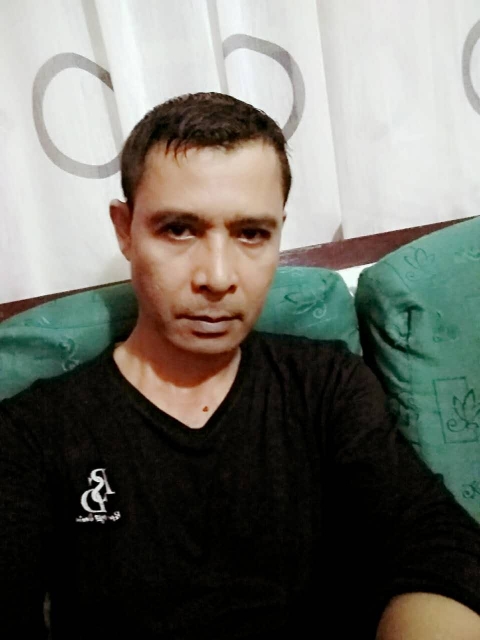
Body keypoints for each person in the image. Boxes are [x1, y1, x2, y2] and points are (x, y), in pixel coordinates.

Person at [1, 92, 480, 639]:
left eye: (251, 233)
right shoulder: (35, 434)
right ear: (125, 229)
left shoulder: (326, 387)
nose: (218, 276)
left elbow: (437, 544)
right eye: (178, 229)